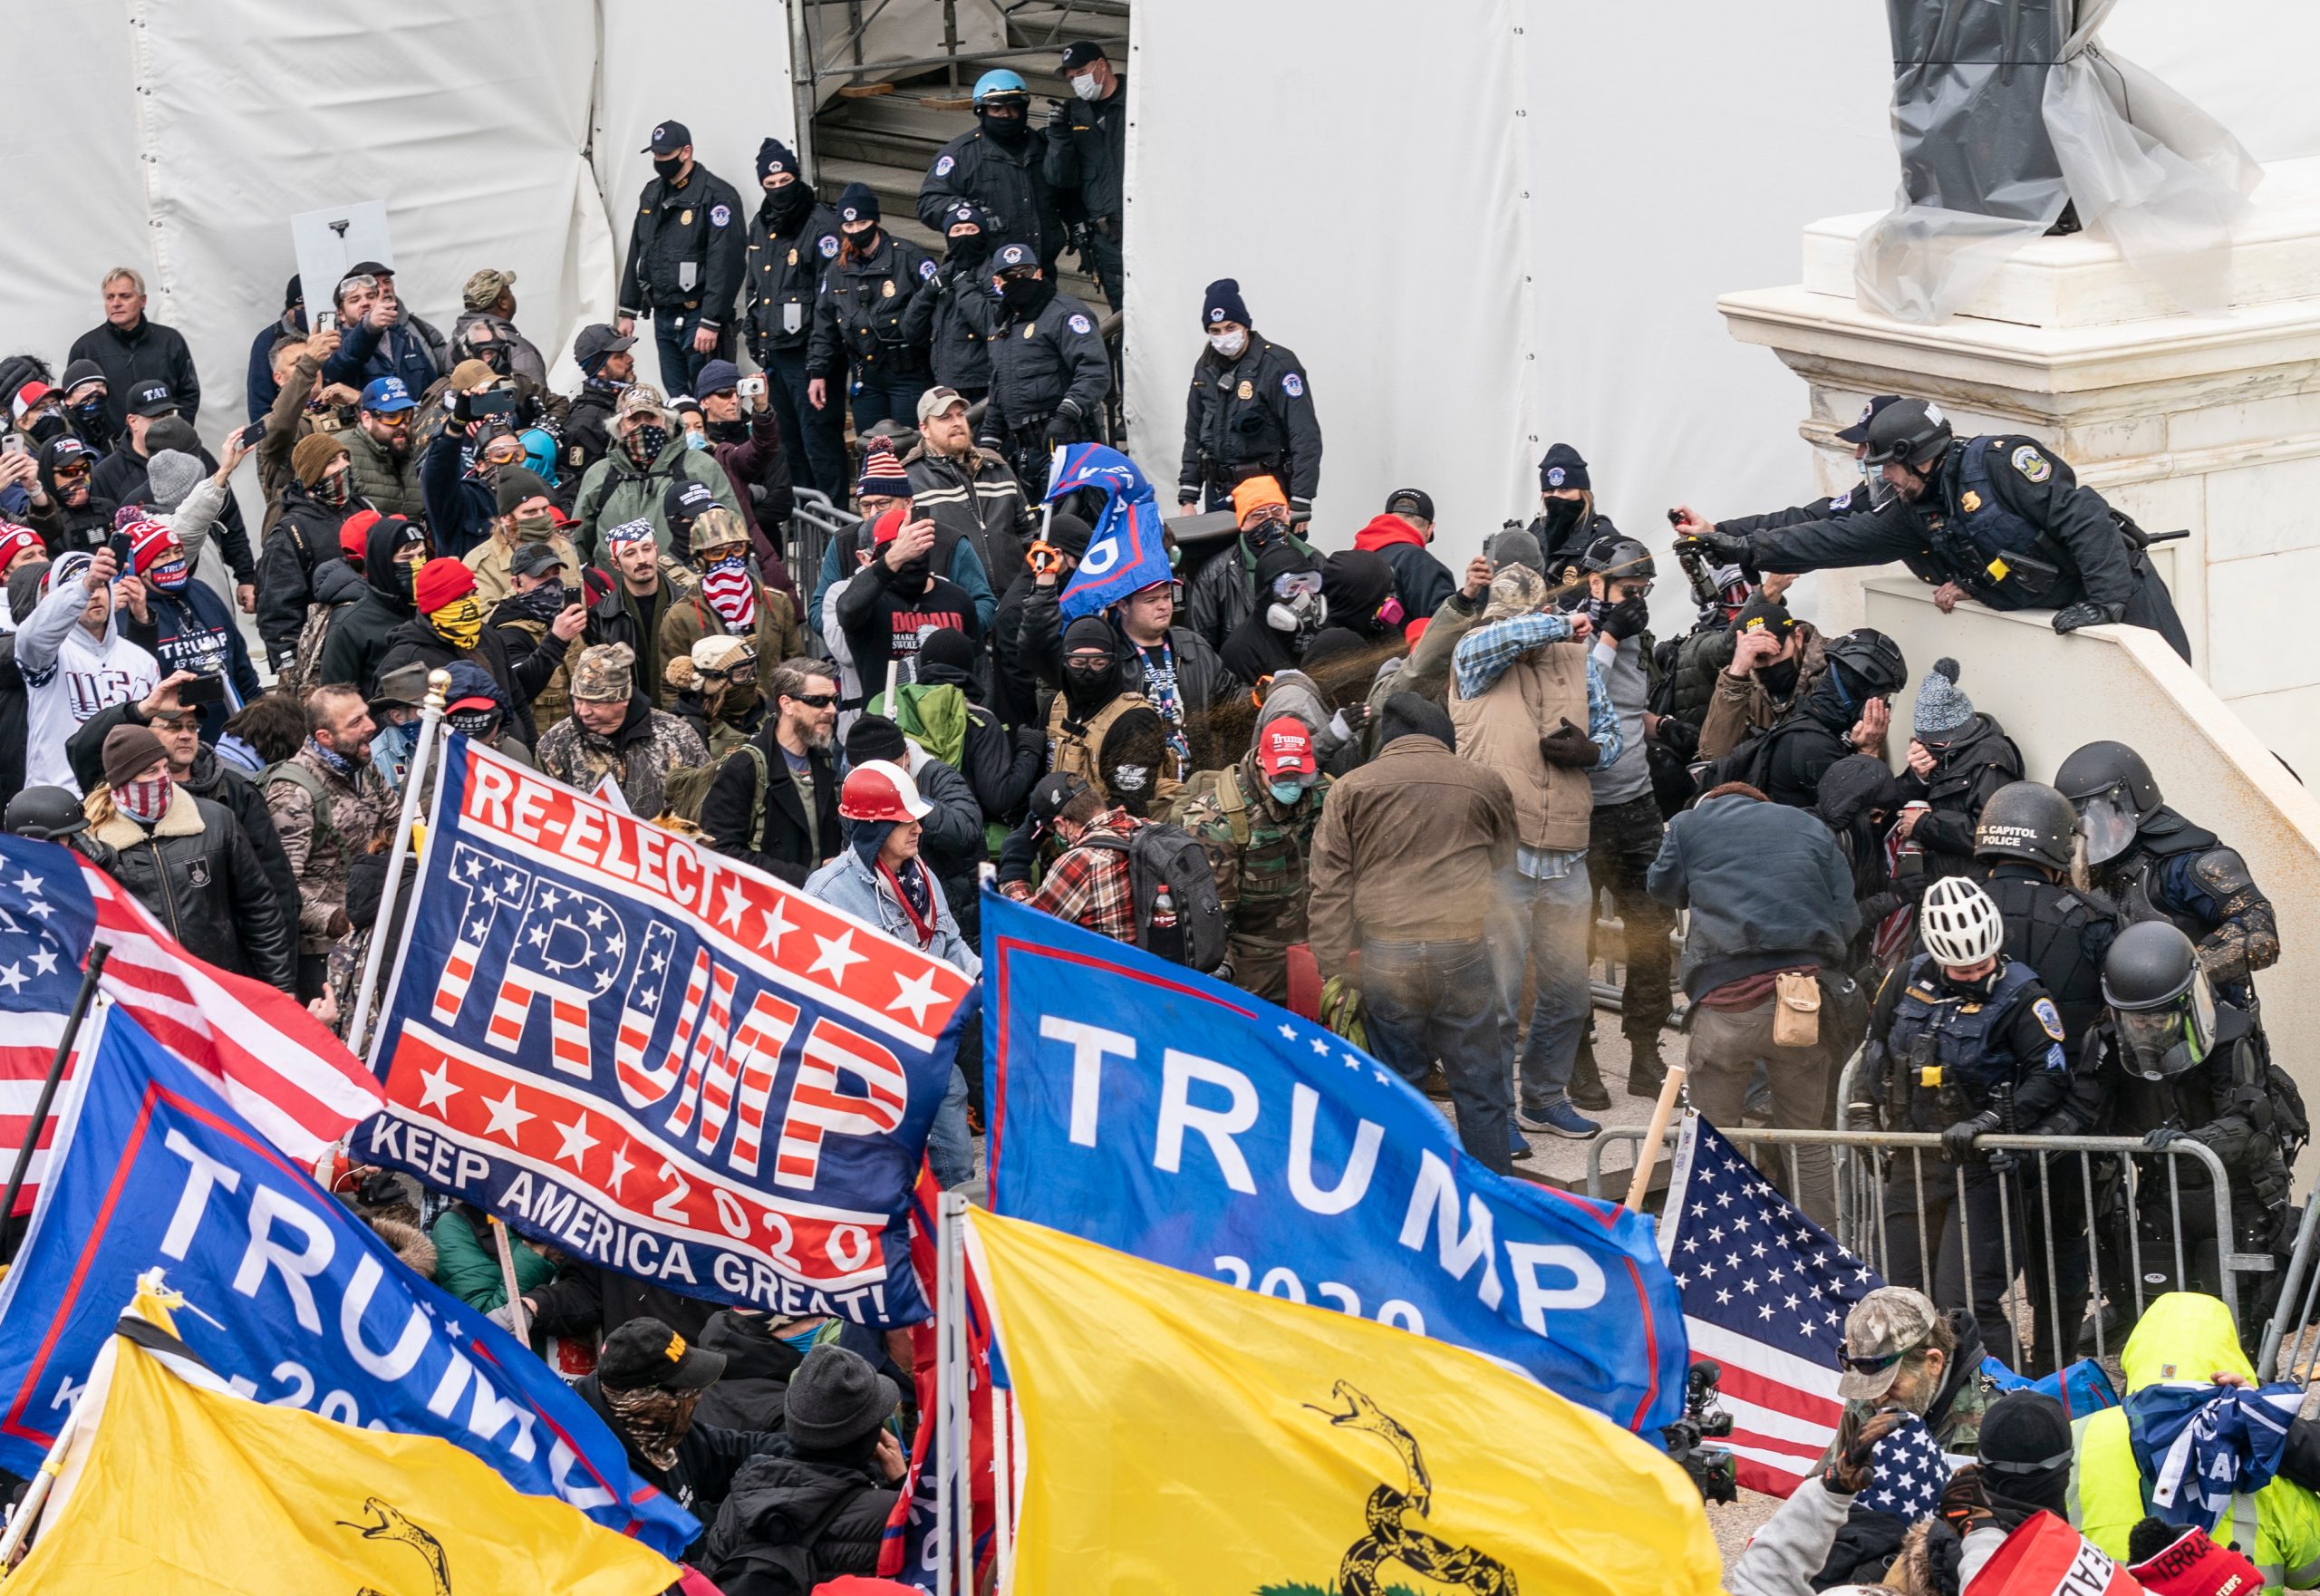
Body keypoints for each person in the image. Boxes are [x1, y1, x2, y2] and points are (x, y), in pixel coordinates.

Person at [1678, 397, 2192, 659]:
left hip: (2126, 595)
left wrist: (2106, 602)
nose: (1884, 480)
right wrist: (1742, 548)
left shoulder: (2001, 462)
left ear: (1916, 458)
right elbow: (1830, 537)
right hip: (2060, 609)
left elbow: (2085, 518)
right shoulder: (1914, 512)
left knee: (2181, 714)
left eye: (1888, 468)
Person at [1309, 692, 1519, 1173]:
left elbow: (1328, 886)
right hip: (1461, 947)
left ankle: (1407, 1199)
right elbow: (1505, 855)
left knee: (1398, 1086)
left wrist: (1334, 965)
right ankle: (1493, 1201)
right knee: (1478, 1084)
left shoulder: (1350, 788)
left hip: (1388, 952)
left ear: (1389, 741)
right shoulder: (1484, 782)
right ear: (1443, 738)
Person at [1447, 561, 1619, 1139]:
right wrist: (1557, 623)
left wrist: (1591, 753)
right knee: (1496, 1005)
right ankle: (1494, 1117)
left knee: (1570, 996)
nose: (1517, 625)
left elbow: (1615, 736)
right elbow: (1501, 637)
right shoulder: (1476, 651)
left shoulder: (1574, 656)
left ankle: (1543, 1099)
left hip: (1568, 852)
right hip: (1502, 856)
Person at [1868, 876, 2072, 1360]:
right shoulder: (1905, 978)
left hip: (1978, 1168)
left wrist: (1989, 1122)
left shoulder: (2024, 995)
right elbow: (1873, 1048)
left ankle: (2003, 1404)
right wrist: (1861, 1113)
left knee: (1962, 1303)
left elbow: (2051, 1076)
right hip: (1912, 1161)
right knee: (1900, 1298)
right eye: (1961, 968)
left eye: (1982, 962)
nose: (1975, 972)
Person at [1648, 781, 1861, 1222]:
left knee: (1716, 1141)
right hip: (1802, 1004)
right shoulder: (1810, 826)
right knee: (1807, 1139)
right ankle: (1819, 1253)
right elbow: (1848, 918)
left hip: (1726, 1004)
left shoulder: (1690, 824)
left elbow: (1662, 890)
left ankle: (1726, 1248)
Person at [2083, 923, 2294, 1327]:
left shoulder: (2233, 1034)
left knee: (2235, 1311)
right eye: (2135, 1019)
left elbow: (2248, 1122)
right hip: (2164, 1187)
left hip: (2237, 1189)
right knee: (2163, 1303)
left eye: (2156, 1018)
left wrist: (2191, 1141)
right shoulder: (2111, 1040)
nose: (2144, 1027)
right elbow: (2092, 1109)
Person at [2067, 1292, 2320, 1583]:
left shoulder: (2079, 1435)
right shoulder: (2257, 1444)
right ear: (2229, 1356)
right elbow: (2310, 1568)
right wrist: (2266, 1419)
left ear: (2137, 1352)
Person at [807, 758, 977, 1185]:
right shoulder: (827, 896)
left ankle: (947, 1246)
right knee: (880, 1186)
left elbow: (950, 942)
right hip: (867, 1077)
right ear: (873, 831)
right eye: (904, 822)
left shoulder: (921, 875)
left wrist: (982, 980)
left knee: (955, 1170)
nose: (918, 828)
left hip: (931, 1057)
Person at [64, 670, 297, 936]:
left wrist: (275, 972)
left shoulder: (235, 791)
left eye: (192, 727)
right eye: (174, 727)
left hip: (225, 955)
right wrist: (143, 709)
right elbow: (80, 747)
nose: (186, 734)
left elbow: (275, 888)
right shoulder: (123, 790)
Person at [2055, 740, 2278, 1008]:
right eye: (2083, 820)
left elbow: (2259, 935)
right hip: (2130, 1023)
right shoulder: (2088, 870)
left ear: (2131, 801)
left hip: (2211, 1019)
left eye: (2103, 815)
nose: (2094, 830)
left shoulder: (2191, 864)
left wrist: (2182, 974)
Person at [1572, 536, 1675, 1101]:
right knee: (1575, 941)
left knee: (1651, 934)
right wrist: (1610, 632)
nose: (1637, 601)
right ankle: (1579, 1053)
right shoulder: (1575, 631)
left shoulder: (1638, 640)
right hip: (1583, 812)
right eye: (1627, 591)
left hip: (1636, 807)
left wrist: (1660, 727)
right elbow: (1578, 702)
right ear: (1596, 586)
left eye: (1644, 592)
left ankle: (1644, 1050)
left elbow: (1624, 708)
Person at [81, 722, 294, 991]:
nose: (162, 778)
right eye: (150, 771)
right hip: (148, 995)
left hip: (219, 987)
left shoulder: (214, 821)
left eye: (164, 768)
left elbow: (259, 907)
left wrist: (281, 987)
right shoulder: (95, 844)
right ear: (124, 781)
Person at [702, 1345, 906, 1588]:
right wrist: (902, 1485)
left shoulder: (742, 1494)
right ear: (870, 1434)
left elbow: (707, 1584)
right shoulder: (888, 1511)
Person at [573, 1317, 788, 1545]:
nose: (697, 1395)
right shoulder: (601, 1484)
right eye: (687, 1388)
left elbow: (730, 1450)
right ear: (649, 1399)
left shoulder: (657, 1427)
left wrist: (810, 1447)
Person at [261, 685, 401, 1001]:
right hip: (323, 952)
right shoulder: (292, 795)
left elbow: (398, 826)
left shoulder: (363, 767)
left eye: (366, 715)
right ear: (325, 737)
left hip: (375, 931)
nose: (371, 726)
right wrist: (339, 920)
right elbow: (282, 889)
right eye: (355, 722)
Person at [1178, 716, 1329, 1002]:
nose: (1294, 784)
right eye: (1283, 776)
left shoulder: (1326, 796)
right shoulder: (1218, 819)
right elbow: (1211, 914)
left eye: (1301, 776)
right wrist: (1220, 970)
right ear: (1261, 761)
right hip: (1252, 965)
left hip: (1317, 953)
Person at [741, 137, 851, 504]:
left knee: (820, 441)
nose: (777, 190)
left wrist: (820, 364)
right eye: (769, 185)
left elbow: (829, 301)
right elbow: (756, 284)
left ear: (796, 177)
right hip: (775, 354)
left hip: (810, 356)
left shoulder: (821, 224)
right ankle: (805, 524)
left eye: (784, 182)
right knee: (787, 445)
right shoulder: (761, 223)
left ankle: (833, 523)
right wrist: (753, 336)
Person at [376, 555, 581, 747]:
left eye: (473, 594)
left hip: (507, 753)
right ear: (436, 605)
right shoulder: (407, 657)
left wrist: (530, 750)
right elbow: (392, 724)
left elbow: (517, 701)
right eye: (459, 599)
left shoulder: (488, 636)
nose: (470, 604)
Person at [617, 120, 748, 396]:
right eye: (655, 155)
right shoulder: (652, 193)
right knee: (678, 398)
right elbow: (637, 250)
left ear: (686, 151)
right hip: (664, 312)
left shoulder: (716, 196)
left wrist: (711, 320)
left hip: (698, 314)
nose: (659, 160)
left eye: (665, 155)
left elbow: (726, 263)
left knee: (710, 396)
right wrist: (627, 309)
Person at [1713, 626, 1907, 810]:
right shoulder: (1815, 746)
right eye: (1882, 698)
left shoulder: (1823, 729)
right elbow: (1863, 823)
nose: (1884, 710)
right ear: (1859, 694)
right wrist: (1869, 753)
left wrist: (1916, 776)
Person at [17, 547, 161, 793]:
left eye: (101, 587)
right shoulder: (48, 653)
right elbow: (31, 636)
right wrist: (84, 585)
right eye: (88, 590)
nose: (95, 596)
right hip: (61, 798)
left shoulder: (141, 660)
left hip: (126, 797)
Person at [1175, 279, 1321, 518]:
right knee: (1220, 556)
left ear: (1245, 325)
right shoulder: (1206, 368)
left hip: (1267, 492)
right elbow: (1194, 434)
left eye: (1230, 327)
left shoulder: (1278, 365)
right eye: (1215, 331)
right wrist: (1188, 496)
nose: (1224, 336)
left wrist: (1301, 501)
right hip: (1220, 492)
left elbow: (1304, 436)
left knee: (1272, 555)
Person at [974, 244, 1110, 499]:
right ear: (997, 281)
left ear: (1038, 273)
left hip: (1070, 443)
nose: (1019, 280)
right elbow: (999, 388)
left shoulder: (1066, 313)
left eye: (1025, 272)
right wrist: (989, 441)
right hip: (1025, 451)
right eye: (1010, 276)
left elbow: (1094, 370)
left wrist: (1067, 414)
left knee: (1073, 526)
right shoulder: (1001, 326)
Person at [807, 183, 939, 438]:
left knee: (911, 448)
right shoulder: (837, 269)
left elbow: (937, 314)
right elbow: (824, 325)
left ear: (875, 221)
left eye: (862, 223)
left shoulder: (909, 258)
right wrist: (817, 372)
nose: (856, 231)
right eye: (848, 226)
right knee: (872, 450)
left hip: (909, 373)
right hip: (865, 376)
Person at [113, 517, 261, 742]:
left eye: (177, 552)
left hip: (234, 732)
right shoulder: (126, 613)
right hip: (174, 738)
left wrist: (258, 714)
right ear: (140, 567)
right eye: (162, 556)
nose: (174, 560)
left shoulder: (203, 593)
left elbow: (241, 666)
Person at [701, 656, 843, 885]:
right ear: (786, 704)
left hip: (820, 904)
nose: (832, 710)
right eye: (818, 701)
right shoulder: (744, 767)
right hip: (770, 906)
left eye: (834, 700)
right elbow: (721, 851)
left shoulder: (824, 760)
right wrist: (803, 877)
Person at [916, 69, 1066, 271]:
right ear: (982, 111)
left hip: (1040, 267)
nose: (1006, 114)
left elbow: (1066, 193)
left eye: (1013, 107)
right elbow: (929, 203)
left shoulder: (1043, 147)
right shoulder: (959, 154)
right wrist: (967, 210)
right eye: (997, 108)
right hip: (984, 270)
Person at [536, 643, 707, 817]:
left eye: (595, 703)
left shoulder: (678, 735)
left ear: (623, 699)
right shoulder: (556, 744)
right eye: (578, 700)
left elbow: (705, 803)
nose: (582, 711)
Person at [573, 383, 740, 559]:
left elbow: (732, 530)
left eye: (651, 417)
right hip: (617, 585)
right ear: (619, 426)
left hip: (688, 583)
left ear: (666, 421)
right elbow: (578, 543)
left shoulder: (700, 466)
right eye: (634, 419)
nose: (643, 426)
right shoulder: (599, 474)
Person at [1894, 658, 2024, 881]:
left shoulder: (1992, 761)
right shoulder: (1944, 754)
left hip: (1971, 884)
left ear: (1953, 738)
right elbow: (1893, 800)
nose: (1925, 749)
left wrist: (1923, 825)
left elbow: (1989, 833)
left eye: (1932, 745)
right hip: (1939, 874)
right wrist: (1917, 778)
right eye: (1920, 741)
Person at [905, 385, 1032, 613]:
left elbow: (1028, 533)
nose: (956, 422)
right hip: (955, 609)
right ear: (924, 429)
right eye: (945, 417)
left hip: (1015, 605)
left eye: (960, 414)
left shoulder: (997, 466)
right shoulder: (910, 479)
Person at [1040, 614, 1180, 815]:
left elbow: (1131, 807)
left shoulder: (1135, 721)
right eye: (1079, 664)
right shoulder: (1056, 706)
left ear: (1113, 662)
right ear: (1065, 662)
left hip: (1113, 831)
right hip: (1055, 820)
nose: (1088, 673)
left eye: (1099, 664)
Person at [836, 508, 977, 704]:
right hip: (889, 724)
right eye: (905, 551)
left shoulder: (958, 598)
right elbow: (847, 610)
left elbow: (978, 671)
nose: (914, 559)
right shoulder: (871, 601)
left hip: (951, 725)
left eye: (919, 551)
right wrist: (894, 558)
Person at [660, 503, 804, 696]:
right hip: (711, 719)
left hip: (771, 717)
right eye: (717, 552)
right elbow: (671, 687)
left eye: (736, 549)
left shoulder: (777, 603)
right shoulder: (681, 617)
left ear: (746, 550)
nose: (728, 559)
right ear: (700, 558)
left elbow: (796, 667)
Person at [689, 360, 797, 595]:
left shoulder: (762, 436)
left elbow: (782, 503)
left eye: (737, 392)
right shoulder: (696, 445)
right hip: (712, 560)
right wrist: (749, 499)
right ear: (704, 401)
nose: (733, 400)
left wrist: (735, 518)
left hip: (765, 551)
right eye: (724, 394)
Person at [256, 434, 359, 672]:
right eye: (332, 461)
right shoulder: (290, 533)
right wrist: (291, 667)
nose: (344, 466)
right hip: (323, 659)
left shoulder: (363, 508)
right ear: (312, 472)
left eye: (345, 458)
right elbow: (276, 612)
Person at [1184, 475, 1320, 648]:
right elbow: (1200, 646)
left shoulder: (1315, 561)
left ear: (1287, 514)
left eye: (1277, 511)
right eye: (1259, 515)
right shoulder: (1214, 576)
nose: (1271, 520)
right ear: (1243, 523)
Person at [1016, 773, 1152, 944]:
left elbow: (1025, 925)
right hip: (1159, 965)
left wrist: (1015, 865)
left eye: (1053, 830)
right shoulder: (1145, 827)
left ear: (1061, 823)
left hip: (1111, 968)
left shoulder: (1082, 860)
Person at [1043, 41, 1128, 310]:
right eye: (1072, 78)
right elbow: (1060, 179)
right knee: (1123, 313)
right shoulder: (1074, 112)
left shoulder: (1137, 100)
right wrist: (1058, 137)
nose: (1077, 81)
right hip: (1108, 235)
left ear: (1102, 66)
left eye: (1081, 72)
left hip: (1150, 229)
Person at [1695, 594, 1828, 761]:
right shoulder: (1743, 685)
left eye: (1777, 652)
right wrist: (1736, 675)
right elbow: (1714, 754)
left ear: (1798, 637)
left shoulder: (1834, 668)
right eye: (1760, 658)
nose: (1771, 664)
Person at [69, 267, 200, 430]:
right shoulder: (86, 348)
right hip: (109, 450)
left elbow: (189, 394)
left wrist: (178, 435)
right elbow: (74, 404)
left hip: (163, 445)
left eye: (125, 296)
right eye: (110, 297)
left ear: (142, 301)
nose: (116, 303)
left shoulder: (170, 341)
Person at [317, 513, 430, 700]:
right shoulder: (349, 626)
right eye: (407, 557)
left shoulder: (432, 609)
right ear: (383, 562)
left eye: (422, 555)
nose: (418, 563)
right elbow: (336, 700)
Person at [903, 203, 999, 401]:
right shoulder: (943, 273)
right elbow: (911, 331)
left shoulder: (996, 274)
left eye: (971, 229)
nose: (964, 236)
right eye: (957, 230)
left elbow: (993, 325)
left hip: (984, 384)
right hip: (945, 383)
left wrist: (965, 288)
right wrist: (927, 294)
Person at [463, 466, 583, 611]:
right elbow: (484, 625)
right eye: (530, 512)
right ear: (506, 518)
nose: (541, 517)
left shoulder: (563, 547)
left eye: (544, 509)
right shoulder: (482, 563)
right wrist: (525, 587)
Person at [319, 265, 448, 398]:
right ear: (341, 314)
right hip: (368, 418)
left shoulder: (404, 336)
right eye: (355, 300)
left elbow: (432, 386)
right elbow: (337, 367)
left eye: (370, 296)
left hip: (418, 417)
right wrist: (368, 328)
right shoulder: (336, 345)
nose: (365, 303)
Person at [1350, 487, 1455, 624]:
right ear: (1429, 530)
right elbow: (1446, 627)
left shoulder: (1352, 559)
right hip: (1400, 644)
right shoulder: (1417, 561)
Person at [335, 375, 428, 527]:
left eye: (407, 416)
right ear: (366, 419)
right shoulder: (342, 450)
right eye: (392, 417)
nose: (402, 425)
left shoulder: (410, 449)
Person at [1523, 444, 1611, 585]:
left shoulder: (1602, 537)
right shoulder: (1536, 531)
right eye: (1550, 491)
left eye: (1564, 489)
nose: (1556, 497)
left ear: (1583, 493)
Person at [668, 634, 763, 762]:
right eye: (741, 674)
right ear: (716, 682)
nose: (751, 680)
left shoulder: (764, 709)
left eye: (752, 671)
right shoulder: (690, 730)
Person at [563, 323, 639, 479]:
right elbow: (577, 484)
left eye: (627, 352)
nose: (630, 359)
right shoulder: (585, 422)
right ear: (601, 370)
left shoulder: (624, 401)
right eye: (619, 356)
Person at [451, 268, 546, 387]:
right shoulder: (518, 350)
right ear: (503, 303)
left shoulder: (451, 345)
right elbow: (538, 399)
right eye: (509, 292)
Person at [23, 434, 114, 553]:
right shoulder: (42, 523)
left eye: (85, 467)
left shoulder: (108, 509)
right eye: (71, 471)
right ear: (49, 476)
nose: (81, 475)